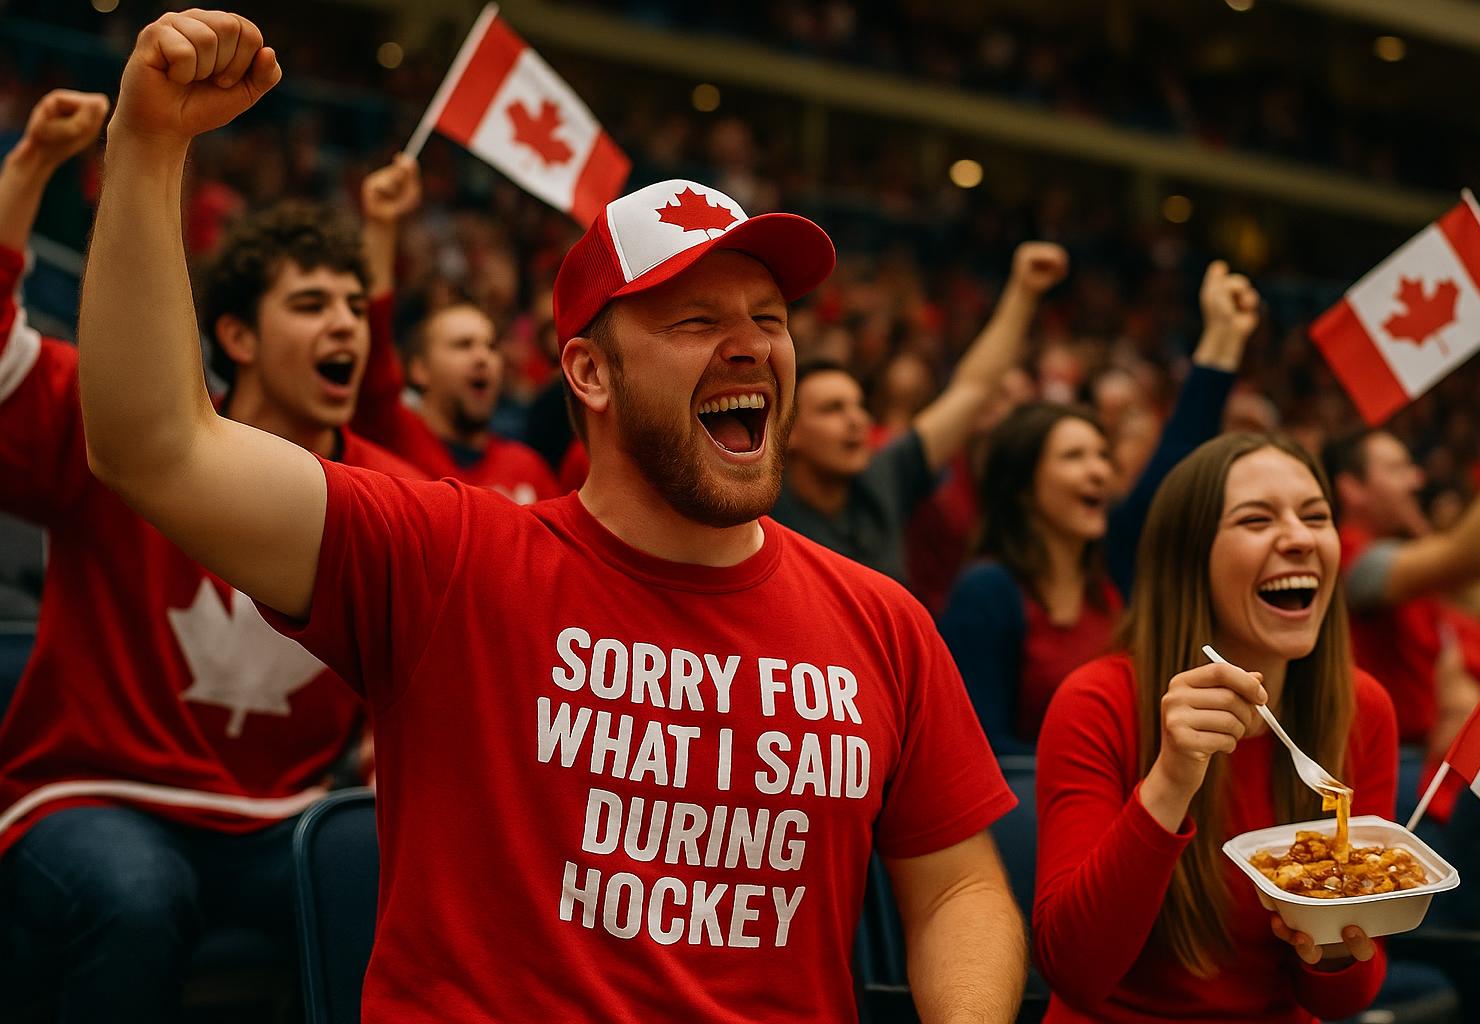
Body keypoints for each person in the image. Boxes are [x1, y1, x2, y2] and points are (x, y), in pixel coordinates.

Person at [78, 13, 1023, 1022]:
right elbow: (153, 444)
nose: (751, 346)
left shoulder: (883, 623)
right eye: (697, 320)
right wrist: (149, 145)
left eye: (772, 319)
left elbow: (960, 888)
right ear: (588, 372)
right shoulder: (448, 560)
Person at [0, 87, 420, 1022]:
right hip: (97, 795)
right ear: (235, 337)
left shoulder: (391, 491)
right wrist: (28, 171)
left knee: (417, 880)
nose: (346, 324)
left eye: (356, 305)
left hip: (284, 817)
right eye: (311, 304)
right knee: (134, 898)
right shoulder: (128, 419)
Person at [1031, 433, 1397, 1022]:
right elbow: (1073, 969)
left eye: (1315, 517)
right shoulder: (1097, 702)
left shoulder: (1363, 708)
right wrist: (1171, 780)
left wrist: (1331, 949)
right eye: (1257, 520)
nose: (1299, 539)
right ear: (1189, 556)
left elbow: (1348, 996)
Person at [940, 262, 1259, 750]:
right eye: (1074, 457)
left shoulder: (1113, 568)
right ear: (1023, 486)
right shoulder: (988, 592)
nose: (1099, 472)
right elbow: (976, 751)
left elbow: (1176, 461)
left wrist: (1223, 338)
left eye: (1102, 456)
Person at [771, 241, 1068, 584]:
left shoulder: (882, 477)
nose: (858, 421)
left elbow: (972, 389)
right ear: (787, 432)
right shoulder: (761, 513)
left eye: (860, 406)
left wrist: (1023, 290)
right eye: (832, 409)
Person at [351, 154, 558, 502]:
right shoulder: (390, 435)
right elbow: (369, 336)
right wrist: (382, 226)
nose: (483, 357)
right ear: (418, 370)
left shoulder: (528, 468)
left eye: (490, 346)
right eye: (463, 345)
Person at [1322, 417, 1480, 750]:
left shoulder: (1407, 559)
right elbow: (1472, 557)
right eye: (1397, 469)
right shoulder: (1349, 560)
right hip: (1405, 764)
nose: (1416, 479)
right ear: (1351, 488)